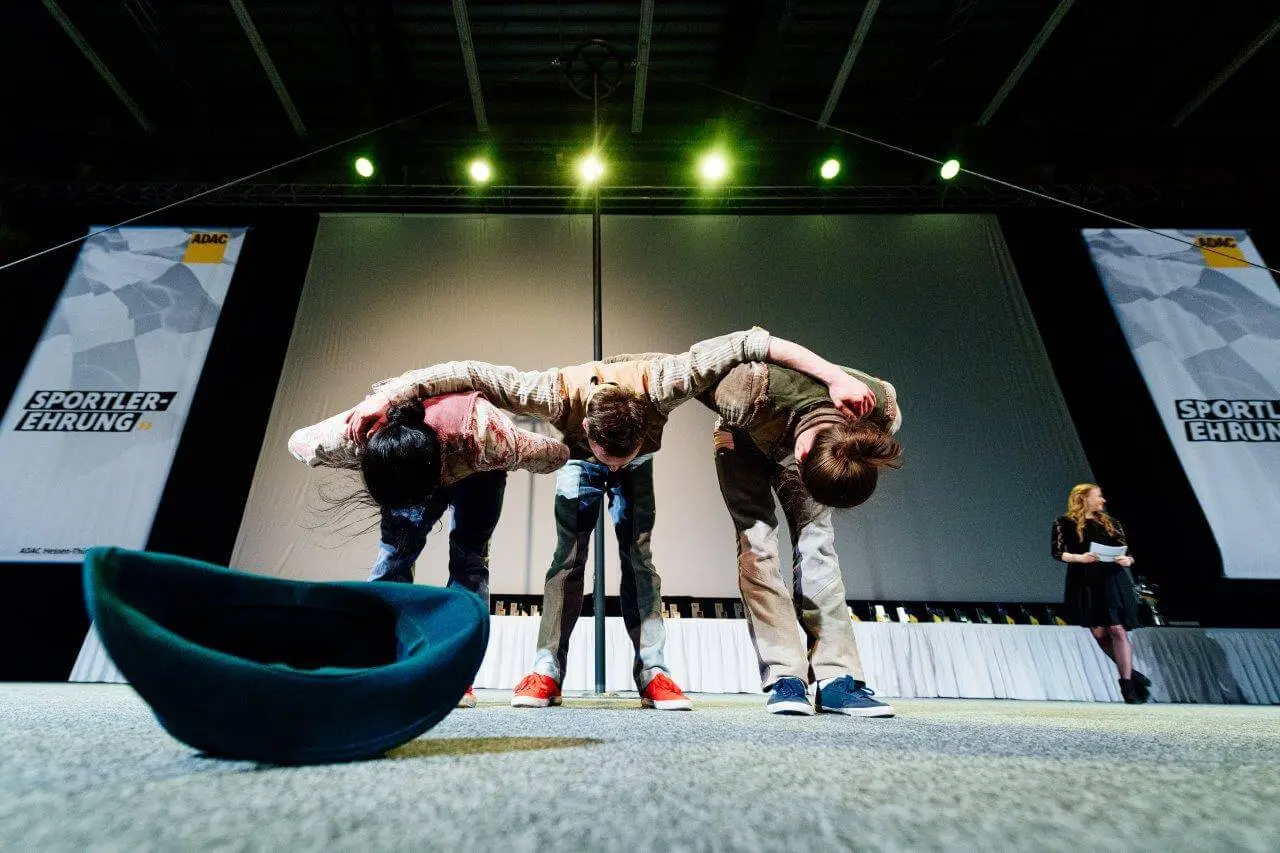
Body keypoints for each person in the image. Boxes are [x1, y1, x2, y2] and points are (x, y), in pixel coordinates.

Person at [346, 328, 876, 711]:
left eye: (619, 456)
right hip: (575, 460)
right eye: (608, 457)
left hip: (640, 452)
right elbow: (464, 371)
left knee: (639, 558)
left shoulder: (666, 380)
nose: (612, 469)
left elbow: (751, 340)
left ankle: (655, 671)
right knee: (567, 558)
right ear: (590, 433)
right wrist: (386, 396)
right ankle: (546, 669)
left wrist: (830, 377)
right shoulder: (551, 393)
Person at [288, 390, 570, 708]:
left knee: (470, 561)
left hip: (479, 470)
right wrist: (370, 408)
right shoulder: (361, 433)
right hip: (404, 461)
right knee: (393, 556)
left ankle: (455, 675)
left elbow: (557, 454)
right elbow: (298, 443)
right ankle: (375, 658)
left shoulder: (489, 435)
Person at [699, 360, 902, 716]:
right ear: (803, 458)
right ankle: (785, 676)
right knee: (756, 545)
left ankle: (837, 677)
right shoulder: (746, 388)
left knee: (818, 541)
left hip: (815, 432)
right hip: (741, 434)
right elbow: (695, 370)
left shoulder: (881, 411)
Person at [1051, 483, 1150, 704]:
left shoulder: (1111, 523)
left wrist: (1128, 560)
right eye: (1098, 496)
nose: (1103, 500)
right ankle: (1132, 674)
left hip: (1111, 579)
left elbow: (1128, 551)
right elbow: (1057, 553)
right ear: (1083, 498)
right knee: (1099, 634)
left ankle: (1126, 685)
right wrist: (1080, 558)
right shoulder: (1063, 522)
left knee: (1116, 628)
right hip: (1085, 580)